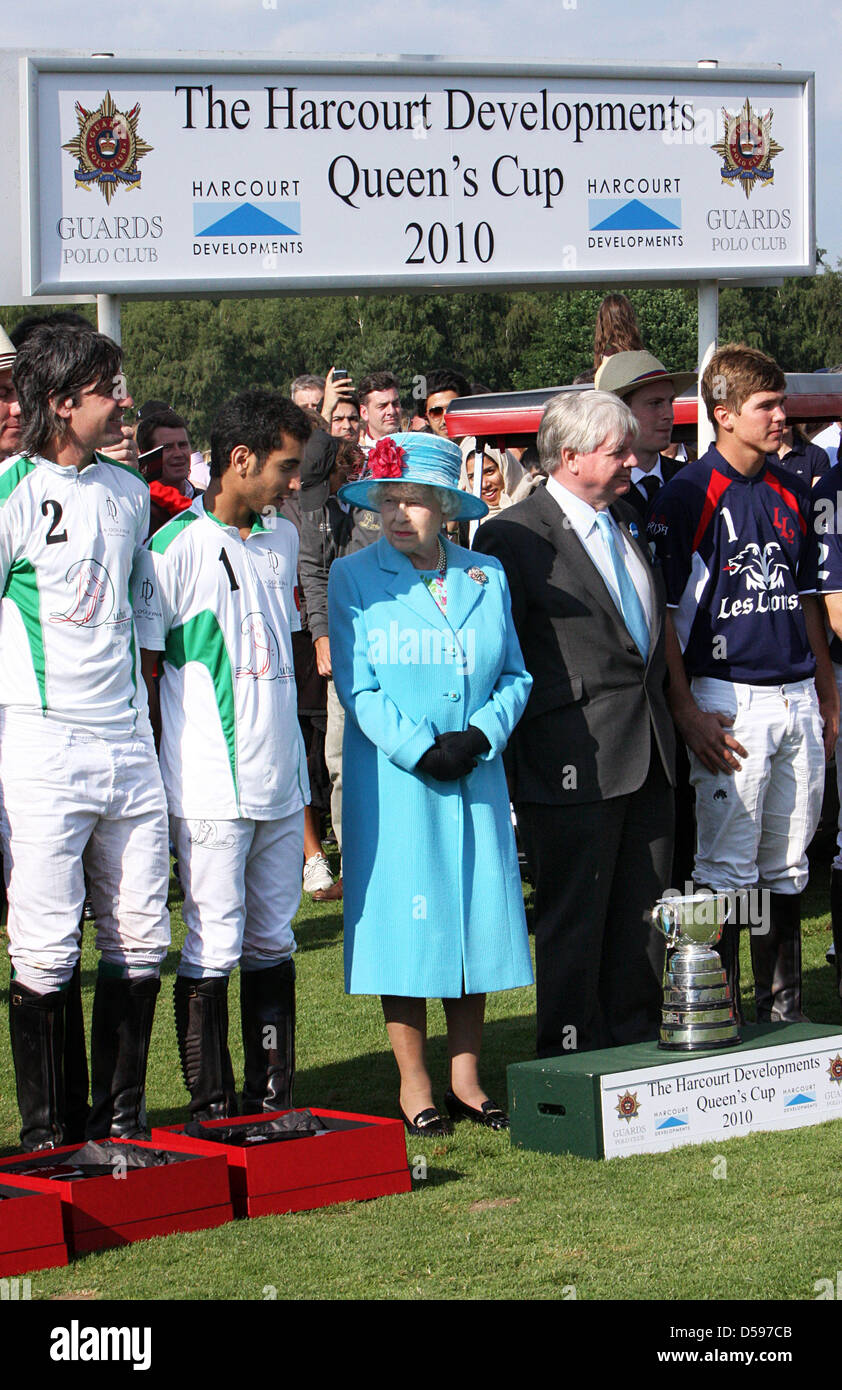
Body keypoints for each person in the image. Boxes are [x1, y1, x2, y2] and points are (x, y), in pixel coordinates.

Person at [328, 432, 533, 1134]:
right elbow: (360, 687)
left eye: (412, 500)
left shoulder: (487, 574)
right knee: (404, 929)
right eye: (387, 500)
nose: (397, 513)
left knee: (472, 918)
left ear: (445, 506)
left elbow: (515, 673)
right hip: (396, 785)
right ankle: (413, 1084)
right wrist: (420, 749)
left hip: (474, 775)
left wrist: (482, 735)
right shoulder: (353, 577)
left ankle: (466, 1079)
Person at [1, 324, 170, 1149]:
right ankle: (50, 1136)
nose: (124, 400)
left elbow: (141, 605)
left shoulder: (130, 491)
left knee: (143, 930)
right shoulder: (11, 490)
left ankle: (121, 1124)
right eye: (109, 390)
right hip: (43, 744)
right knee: (45, 939)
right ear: (64, 405)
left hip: (128, 744)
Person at [474, 389, 676, 1057]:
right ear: (567, 457)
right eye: (616, 452)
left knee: (644, 914)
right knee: (574, 919)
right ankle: (568, 1058)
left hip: (648, 749)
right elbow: (501, 653)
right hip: (569, 759)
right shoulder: (513, 534)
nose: (631, 462)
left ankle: (635, 1046)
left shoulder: (627, 519)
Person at [648, 344, 838, 1023]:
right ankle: (715, 1007)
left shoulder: (793, 485)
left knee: (790, 860)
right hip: (728, 693)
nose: (781, 416)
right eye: (767, 406)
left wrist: (827, 692)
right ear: (723, 414)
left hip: (795, 693)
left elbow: (810, 598)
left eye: (782, 403)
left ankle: (784, 1010)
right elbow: (665, 616)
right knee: (727, 863)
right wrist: (686, 705)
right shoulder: (689, 493)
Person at [133, 390, 310, 1120]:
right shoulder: (170, 549)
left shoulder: (284, 538)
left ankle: (272, 1100)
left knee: (272, 942)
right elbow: (145, 679)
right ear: (241, 460)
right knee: (213, 944)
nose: (292, 483)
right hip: (209, 787)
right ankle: (212, 1108)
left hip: (282, 780)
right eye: (284, 467)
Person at [594, 351, 696, 519]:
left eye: (670, 402)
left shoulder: (691, 481)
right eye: (655, 403)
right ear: (619, 411)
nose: (668, 414)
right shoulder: (597, 491)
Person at [136, 407, 199, 535]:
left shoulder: (206, 501)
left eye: (183, 445)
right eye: (167, 447)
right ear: (147, 454)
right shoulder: (138, 507)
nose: (178, 453)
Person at [357, 371, 402, 447]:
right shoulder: (353, 455)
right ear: (364, 413)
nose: (392, 411)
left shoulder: (417, 449)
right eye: (382, 406)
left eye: (395, 404)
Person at [423, 368, 471, 437]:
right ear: (426, 418)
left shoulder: (485, 446)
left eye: (453, 410)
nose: (445, 420)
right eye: (436, 412)